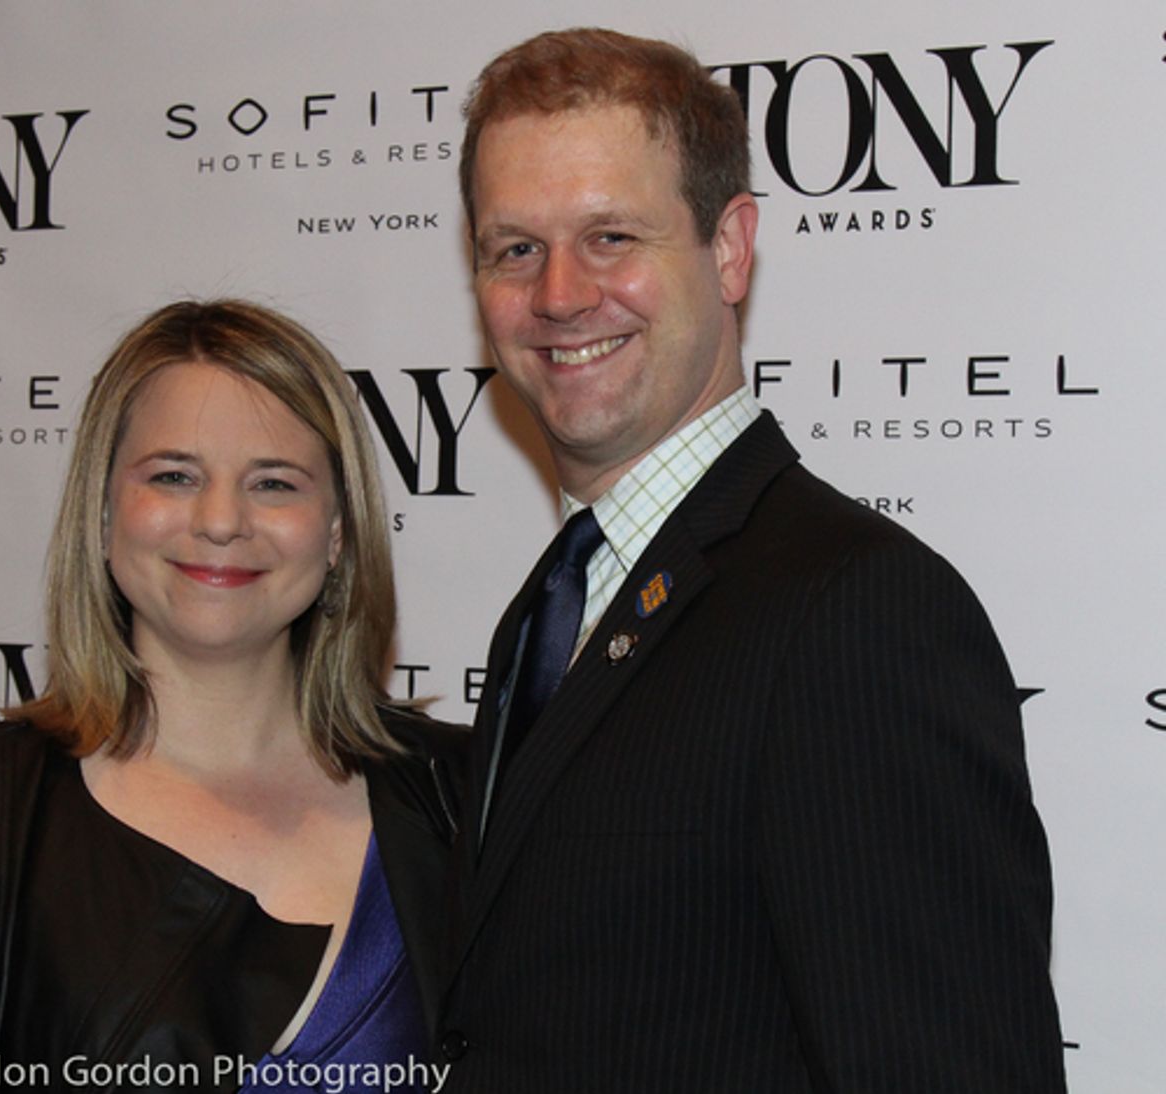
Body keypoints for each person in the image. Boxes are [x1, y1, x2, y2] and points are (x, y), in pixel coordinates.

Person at [435, 28, 1066, 1091]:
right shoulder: (552, 604)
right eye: (513, 248)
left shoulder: (855, 611)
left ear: (727, 250)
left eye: (609, 236)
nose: (556, 294)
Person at [0, 300, 460, 1092]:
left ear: (336, 532)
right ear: (102, 512)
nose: (223, 521)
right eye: (174, 476)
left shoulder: (464, 796)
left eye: (274, 482)